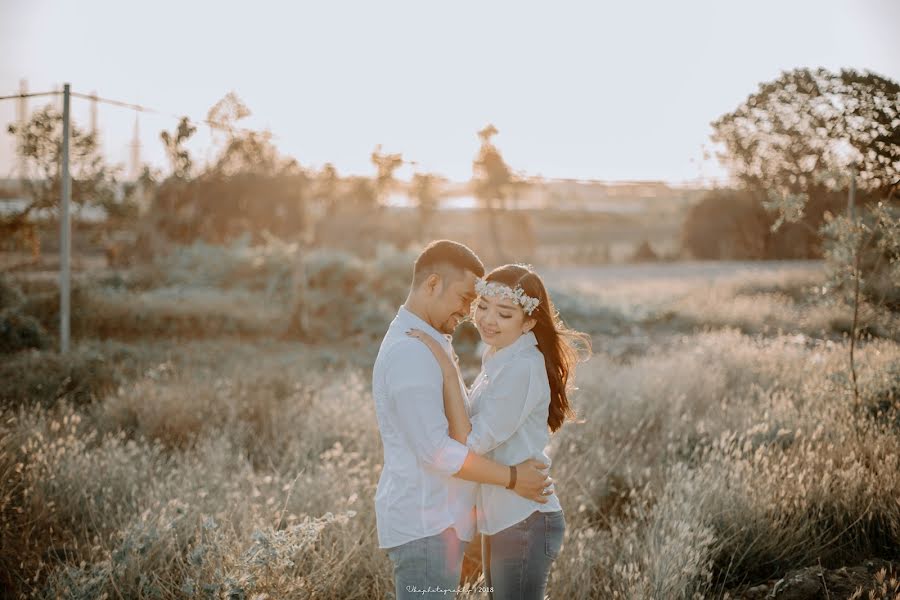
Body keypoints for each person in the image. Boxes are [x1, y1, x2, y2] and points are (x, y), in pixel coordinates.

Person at [372, 241, 554, 599]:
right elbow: (437, 452)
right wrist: (513, 478)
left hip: (436, 525)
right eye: (466, 298)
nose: (471, 312)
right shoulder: (412, 351)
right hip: (424, 526)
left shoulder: (430, 341)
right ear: (432, 284)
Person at [408, 263, 590, 599]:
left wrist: (448, 369)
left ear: (530, 322)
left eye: (505, 314)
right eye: (483, 307)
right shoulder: (500, 355)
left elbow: (471, 442)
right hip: (506, 515)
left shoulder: (522, 366)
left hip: (525, 518)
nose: (489, 321)